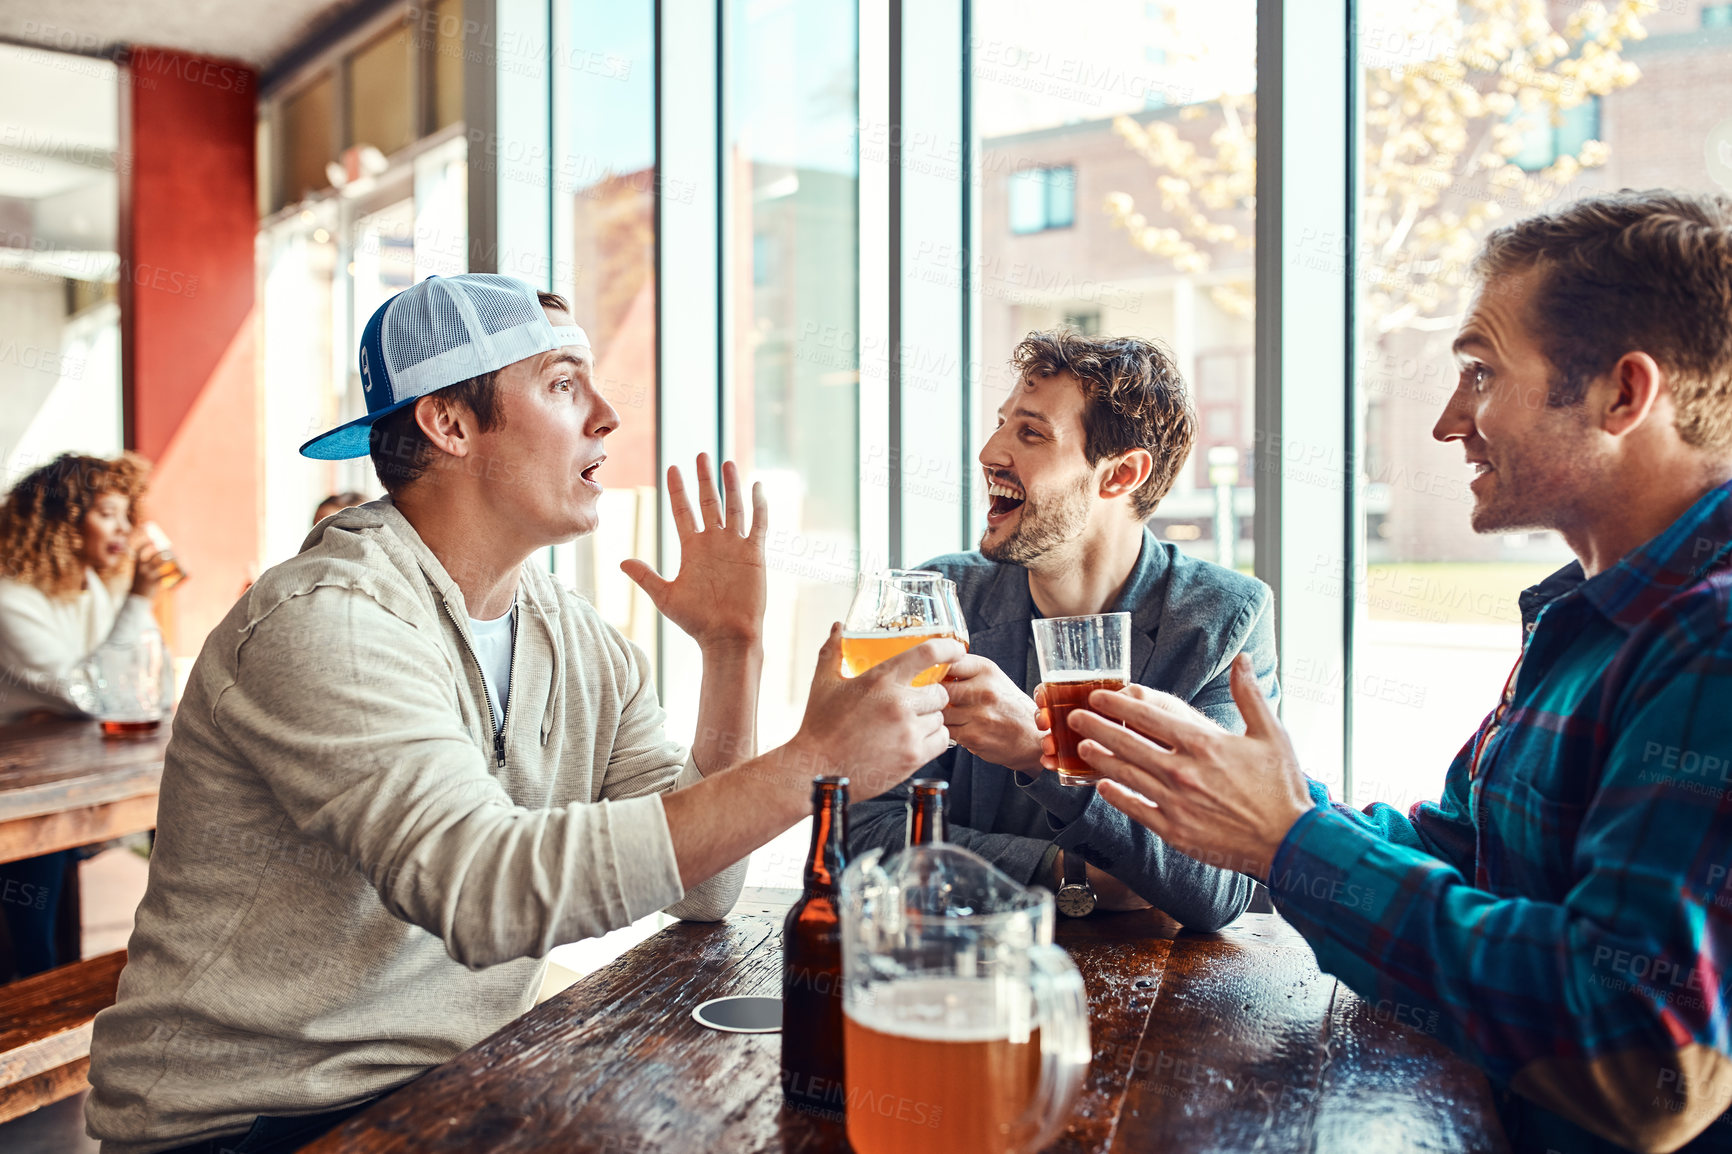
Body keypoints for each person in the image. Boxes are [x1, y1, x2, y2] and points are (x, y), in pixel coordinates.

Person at [85, 275, 960, 1154]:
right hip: (244, 1123)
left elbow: (705, 890)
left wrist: (732, 651)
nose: (608, 415)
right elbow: (481, 894)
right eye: (562, 382)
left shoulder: (570, 636)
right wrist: (814, 761)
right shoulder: (327, 622)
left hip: (449, 1089)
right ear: (451, 424)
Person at [1059, 191, 1732, 1153]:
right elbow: (1464, 856)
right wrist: (1256, 805)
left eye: (1480, 372)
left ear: (1624, 395)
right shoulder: (1588, 620)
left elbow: (1643, 1057)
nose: (1448, 420)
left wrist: (1291, 842)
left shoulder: (1712, 639)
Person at [847, 330, 1275, 929]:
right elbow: (862, 836)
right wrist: (1068, 872)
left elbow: (1219, 884)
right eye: (1001, 424)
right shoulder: (943, 598)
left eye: (1030, 433)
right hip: (953, 973)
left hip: (1151, 1000)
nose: (990, 451)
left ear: (1120, 474)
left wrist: (1037, 751)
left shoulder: (1222, 618)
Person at [0, 452, 170, 979]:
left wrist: (133, 609)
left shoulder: (95, 588)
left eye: (127, 515)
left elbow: (152, 692)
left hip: (76, 779)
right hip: (19, 793)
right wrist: (138, 603)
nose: (125, 529)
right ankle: (33, 1021)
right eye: (107, 514)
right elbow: (93, 698)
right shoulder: (10, 600)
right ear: (61, 522)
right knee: (36, 927)